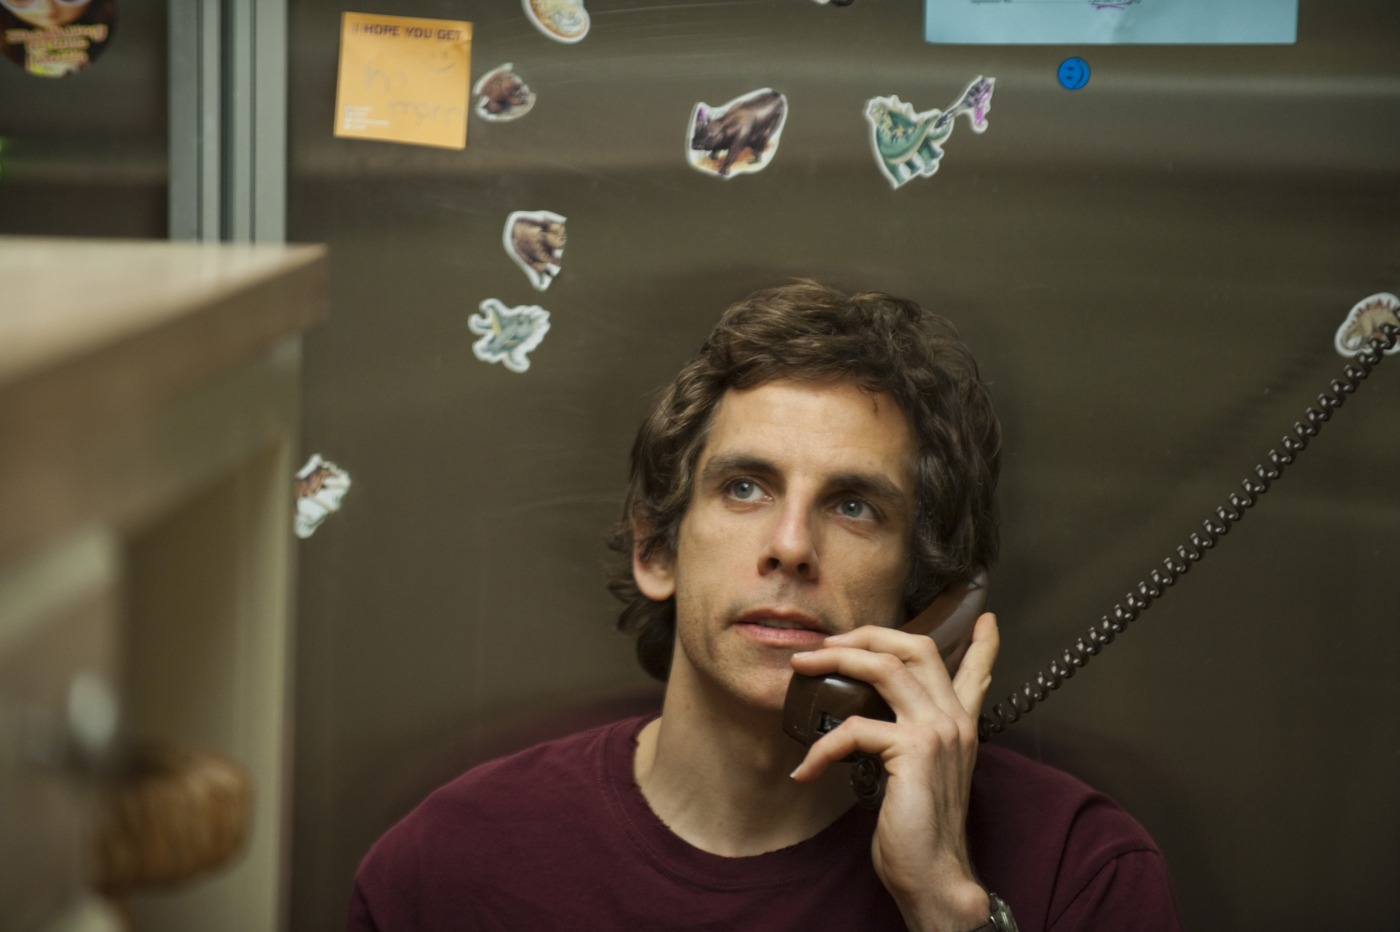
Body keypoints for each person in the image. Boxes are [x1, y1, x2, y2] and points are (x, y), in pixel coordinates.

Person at [348, 281, 1182, 931]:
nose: (791, 545)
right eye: (745, 488)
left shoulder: (1079, 870)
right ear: (656, 549)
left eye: (853, 506)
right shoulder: (447, 866)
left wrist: (946, 906)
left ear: (930, 595)